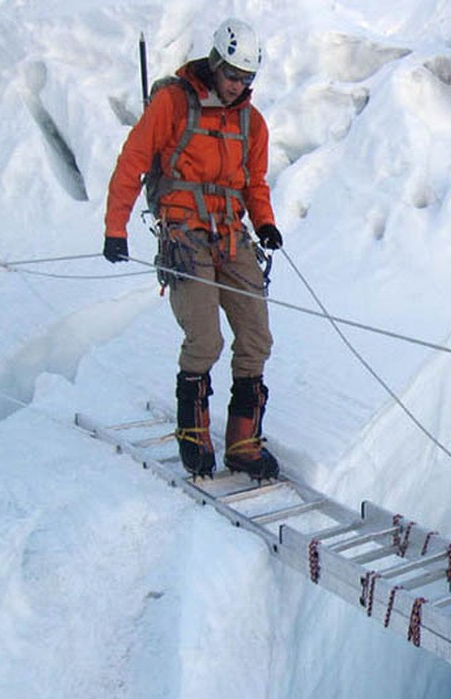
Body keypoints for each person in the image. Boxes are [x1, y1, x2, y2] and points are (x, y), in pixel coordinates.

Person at [103, 18, 282, 480]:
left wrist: (264, 224)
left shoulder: (251, 122)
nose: (238, 86)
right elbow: (133, 163)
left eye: (247, 79)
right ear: (216, 62)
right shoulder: (172, 103)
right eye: (232, 76)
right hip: (184, 234)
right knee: (206, 339)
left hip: (231, 234)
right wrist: (115, 228)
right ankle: (192, 435)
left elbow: (254, 183)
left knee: (257, 338)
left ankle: (242, 443)